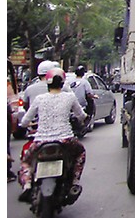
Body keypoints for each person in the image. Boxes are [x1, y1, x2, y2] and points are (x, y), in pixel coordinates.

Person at [17, 67, 87, 203]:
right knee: (80, 153)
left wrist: (24, 125)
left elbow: (25, 120)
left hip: (41, 141)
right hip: (65, 140)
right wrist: (83, 118)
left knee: (26, 161)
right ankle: (74, 183)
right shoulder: (70, 97)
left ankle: (27, 185)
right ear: (62, 83)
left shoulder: (39, 99)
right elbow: (81, 115)